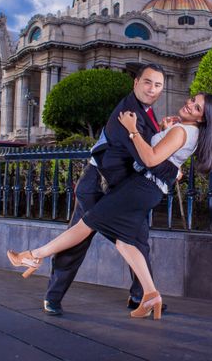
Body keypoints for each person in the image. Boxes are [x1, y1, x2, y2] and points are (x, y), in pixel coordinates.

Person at [7, 92, 212, 320]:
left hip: (139, 188)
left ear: (203, 118)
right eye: (191, 100)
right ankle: (150, 295)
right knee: (125, 242)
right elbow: (163, 158)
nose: (189, 105)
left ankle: (32, 256)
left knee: (85, 225)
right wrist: (164, 136)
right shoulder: (190, 132)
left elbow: (149, 159)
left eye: (197, 108)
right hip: (145, 189)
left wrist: (132, 129)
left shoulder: (181, 130)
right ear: (137, 84)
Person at [40, 63, 176, 316]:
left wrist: (164, 131)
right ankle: (53, 296)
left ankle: (140, 297)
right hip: (97, 185)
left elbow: (147, 146)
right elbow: (148, 157)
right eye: (147, 82)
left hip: (121, 188)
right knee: (77, 241)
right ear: (136, 82)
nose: (152, 89)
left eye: (158, 85)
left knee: (138, 241)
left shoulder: (144, 112)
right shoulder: (128, 113)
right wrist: (173, 172)